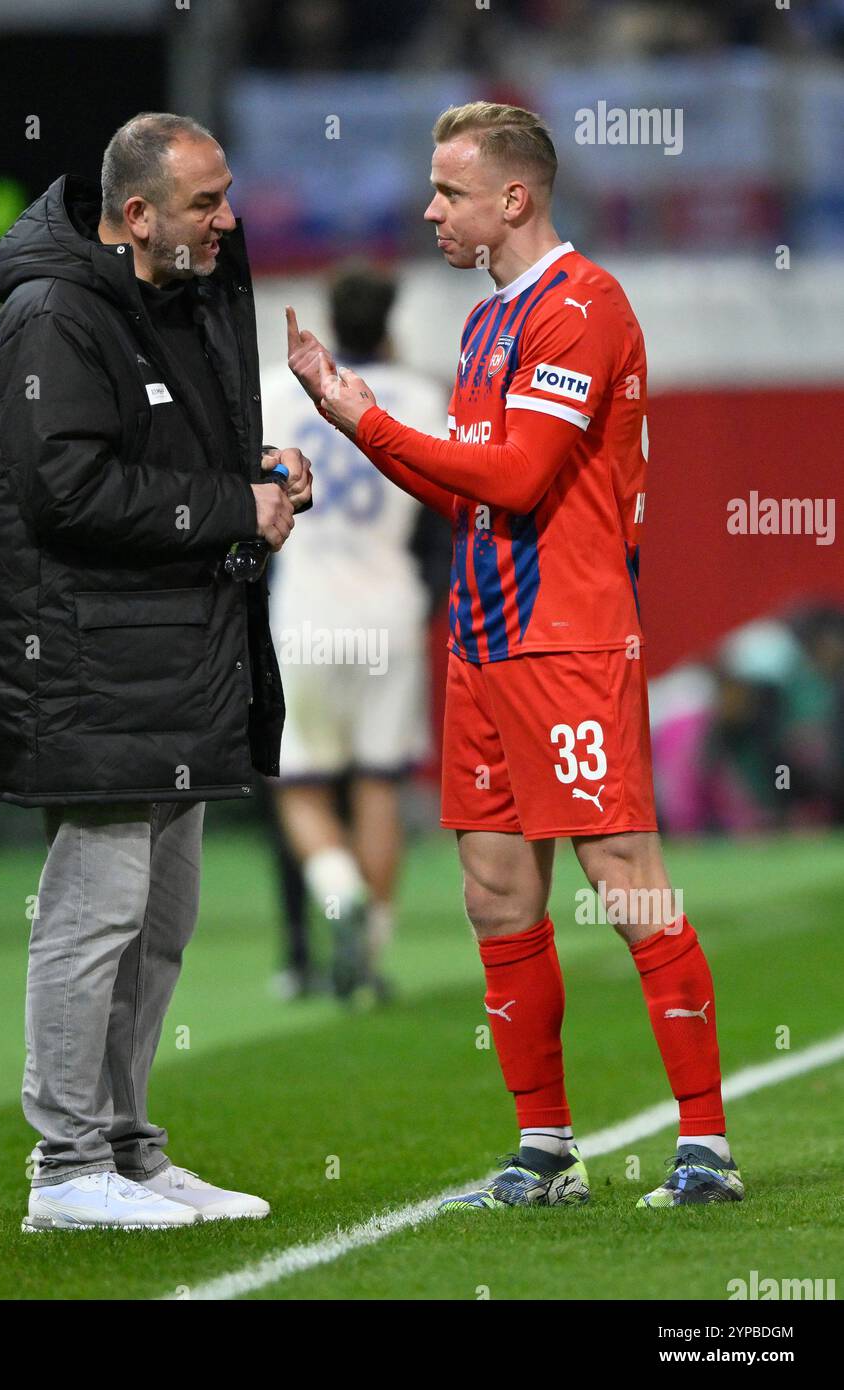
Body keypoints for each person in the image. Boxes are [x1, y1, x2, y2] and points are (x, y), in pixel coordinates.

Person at [286, 101, 741, 1210]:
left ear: (514, 198)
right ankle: (546, 1145)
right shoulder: (488, 324)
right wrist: (355, 419)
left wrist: (368, 420)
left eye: (448, 191)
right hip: (482, 639)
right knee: (495, 889)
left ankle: (706, 1147)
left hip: (571, 638)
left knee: (624, 883)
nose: (431, 209)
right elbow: (461, 486)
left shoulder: (584, 307)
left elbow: (522, 476)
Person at [0, 112, 312, 1231]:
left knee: (161, 920)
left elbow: (151, 464)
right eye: (207, 202)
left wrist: (255, 474)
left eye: (226, 196)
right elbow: (66, 491)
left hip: (166, 662)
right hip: (89, 670)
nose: (228, 220)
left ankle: (126, 1147)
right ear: (137, 215)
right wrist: (230, 507)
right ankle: (65, 1167)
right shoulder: (52, 315)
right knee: (94, 917)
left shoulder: (161, 303)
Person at [262, 263, 446, 1000]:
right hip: (391, 616)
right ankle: (368, 957)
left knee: (300, 785)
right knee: (378, 786)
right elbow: (445, 504)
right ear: (392, 320)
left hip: (305, 610)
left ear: (331, 323)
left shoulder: (281, 393)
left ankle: (338, 894)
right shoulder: (423, 396)